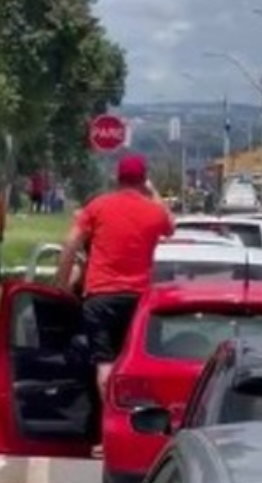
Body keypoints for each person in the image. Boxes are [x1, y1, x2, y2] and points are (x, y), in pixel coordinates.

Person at [55, 154, 174, 399]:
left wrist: (62, 284)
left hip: (100, 297)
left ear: (116, 179)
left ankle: (107, 422)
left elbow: (70, 244)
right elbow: (171, 225)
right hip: (139, 299)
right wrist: (153, 192)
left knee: (104, 363)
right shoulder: (153, 211)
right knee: (135, 362)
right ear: (143, 180)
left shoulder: (98, 206)